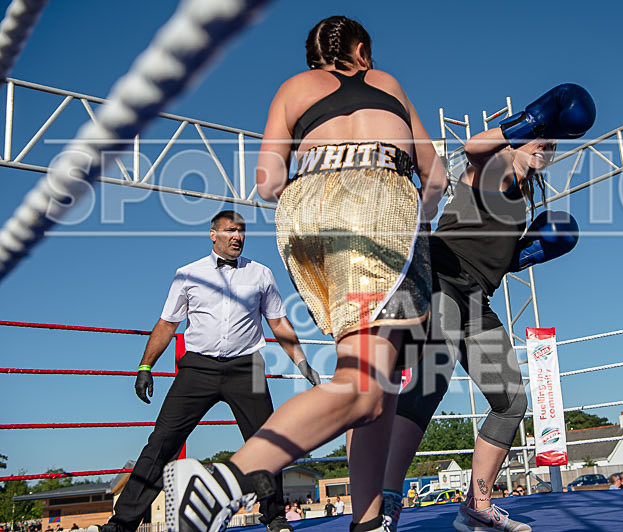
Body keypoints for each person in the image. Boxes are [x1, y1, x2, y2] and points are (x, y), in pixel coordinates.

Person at [163, 15, 446, 532]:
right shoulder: (387, 85)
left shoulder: (292, 89)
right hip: (378, 217)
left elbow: (268, 182)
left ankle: (368, 520)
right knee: (360, 389)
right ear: (361, 48)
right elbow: (436, 174)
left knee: (375, 389)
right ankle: (224, 481)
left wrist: (321, 165)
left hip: (307, 220)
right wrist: (412, 218)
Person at [381, 84, 594, 532]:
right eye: (543, 137)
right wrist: (531, 120)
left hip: (477, 298)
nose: (547, 146)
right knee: (429, 384)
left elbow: (498, 256)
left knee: (511, 400)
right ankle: (386, 500)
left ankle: (477, 505)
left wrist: (529, 251)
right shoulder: (492, 163)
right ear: (525, 134)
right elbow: (471, 146)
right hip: (440, 278)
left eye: (553, 143)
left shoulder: (524, 197)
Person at [99, 210, 319, 532]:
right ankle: (121, 525)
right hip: (197, 367)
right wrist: (146, 366)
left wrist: (302, 362)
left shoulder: (261, 274)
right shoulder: (187, 274)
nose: (237, 237)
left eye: (242, 232)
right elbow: (167, 323)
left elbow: (278, 322)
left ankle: (275, 517)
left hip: (248, 366)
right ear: (212, 234)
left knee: (267, 441)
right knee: (161, 443)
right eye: (230, 231)